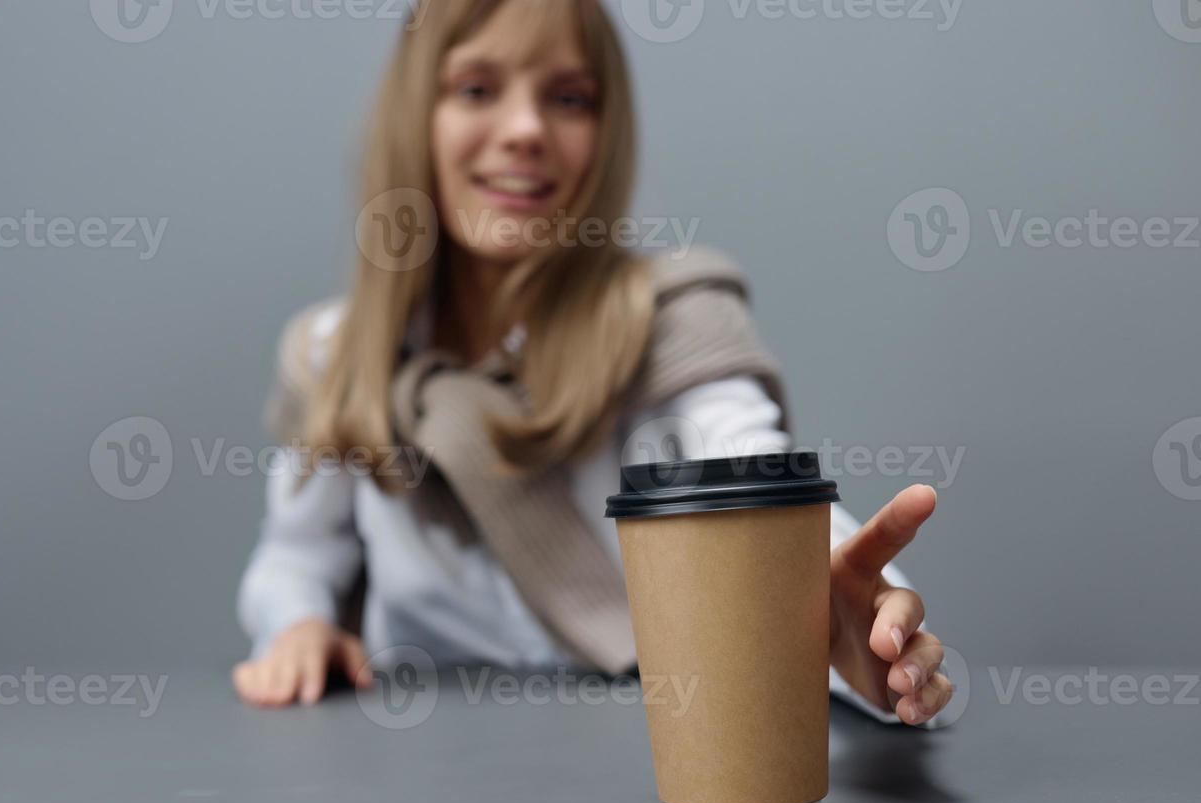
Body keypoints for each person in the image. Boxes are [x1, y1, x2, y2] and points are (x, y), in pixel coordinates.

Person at [233, 0, 954, 728]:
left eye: (569, 98)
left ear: (607, 134)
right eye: (477, 89)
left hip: (646, 749)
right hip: (413, 753)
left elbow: (760, 478)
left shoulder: (671, 321)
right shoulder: (337, 353)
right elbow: (296, 557)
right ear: (415, 115)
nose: (524, 131)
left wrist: (855, 623)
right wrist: (298, 625)